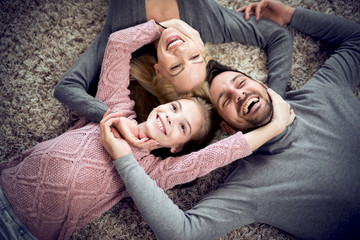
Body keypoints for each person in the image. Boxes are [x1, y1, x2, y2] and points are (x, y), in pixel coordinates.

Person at [0, 20, 294, 240]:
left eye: (182, 127)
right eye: (176, 108)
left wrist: (276, 125)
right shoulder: (115, 107)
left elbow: (221, 153)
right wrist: (169, 28)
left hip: (25, 231)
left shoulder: (155, 171)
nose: (171, 117)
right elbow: (118, 44)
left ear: (178, 147)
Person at [108, 1, 360, 239]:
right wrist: (124, 159)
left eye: (241, 83)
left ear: (262, 84)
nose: (239, 94)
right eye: (226, 101)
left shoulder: (322, 91)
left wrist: (290, 15)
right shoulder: (251, 184)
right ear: (228, 129)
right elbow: (182, 233)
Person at [53, 0, 293, 123]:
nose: (180, 51)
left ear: (158, 69)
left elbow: (67, 88)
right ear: (202, 49)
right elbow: (278, 34)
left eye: (176, 67)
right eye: (195, 57)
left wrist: (118, 120)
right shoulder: (213, 25)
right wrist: (275, 97)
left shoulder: (120, 39)